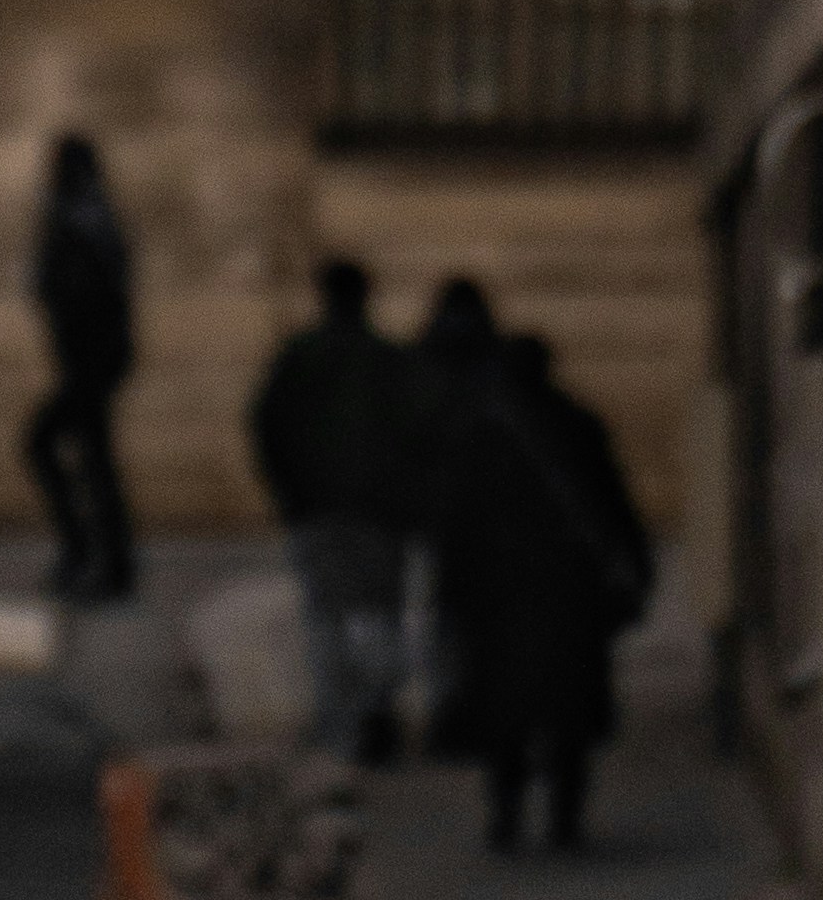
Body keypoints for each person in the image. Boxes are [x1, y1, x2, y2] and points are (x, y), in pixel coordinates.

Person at [423, 294, 653, 859]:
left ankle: (508, 818)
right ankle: (562, 820)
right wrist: (634, 572)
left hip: (498, 598)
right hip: (567, 593)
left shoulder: (479, 436)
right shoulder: (575, 425)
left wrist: (449, 595)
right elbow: (615, 506)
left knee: (505, 716)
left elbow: (454, 524)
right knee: (566, 715)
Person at [247, 252, 412, 755]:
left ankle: (345, 719)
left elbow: (267, 425)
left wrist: (288, 489)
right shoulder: (387, 360)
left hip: (322, 507)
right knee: (375, 614)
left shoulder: (303, 356)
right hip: (375, 509)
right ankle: (374, 711)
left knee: (331, 617)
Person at [19, 125, 142, 609]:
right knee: (90, 458)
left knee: (57, 448)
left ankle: (93, 557)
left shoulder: (79, 220)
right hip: (91, 361)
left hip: (89, 362)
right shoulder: (90, 217)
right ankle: (101, 559)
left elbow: (69, 291)